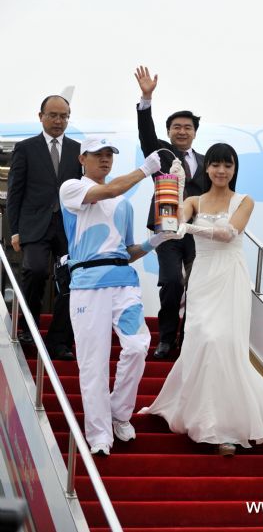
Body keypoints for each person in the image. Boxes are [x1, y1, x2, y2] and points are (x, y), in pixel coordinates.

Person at [140, 143, 263, 455]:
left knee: (222, 341)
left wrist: (188, 227)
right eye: (216, 165)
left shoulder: (244, 201)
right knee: (202, 339)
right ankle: (203, 418)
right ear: (206, 168)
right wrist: (171, 188)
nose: (222, 171)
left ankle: (224, 429)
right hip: (204, 276)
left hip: (230, 276)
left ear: (234, 170)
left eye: (228, 165)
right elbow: (170, 224)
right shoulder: (194, 200)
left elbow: (228, 234)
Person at [60, 138, 172, 455]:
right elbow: (107, 191)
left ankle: (119, 413)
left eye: (109, 155)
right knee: (93, 363)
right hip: (86, 285)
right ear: (83, 157)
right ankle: (98, 435)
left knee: (137, 346)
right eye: (98, 154)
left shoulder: (123, 205)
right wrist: (145, 169)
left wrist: (156, 240)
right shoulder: (72, 188)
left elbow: (127, 251)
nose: (105, 159)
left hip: (124, 281)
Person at [135, 65, 204, 359]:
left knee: (198, 288)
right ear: (169, 132)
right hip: (167, 229)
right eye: (176, 127)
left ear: (195, 133)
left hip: (199, 231)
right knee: (173, 282)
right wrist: (146, 99)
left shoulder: (207, 160)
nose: (182, 131)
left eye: (187, 127)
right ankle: (165, 340)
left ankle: (186, 340)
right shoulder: (161, 153)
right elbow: (146, 134)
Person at [6, 95, 82, 360]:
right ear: (41, 116)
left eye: (64, 116)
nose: (59, 121)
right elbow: (15, 192)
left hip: (67, 227)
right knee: (35, 270)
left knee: (71, 280)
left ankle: (59, 340)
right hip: (34, 226)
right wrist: (14, 230)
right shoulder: (26, 148)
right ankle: (28, 328)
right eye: (53, 115)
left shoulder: (77, 150)